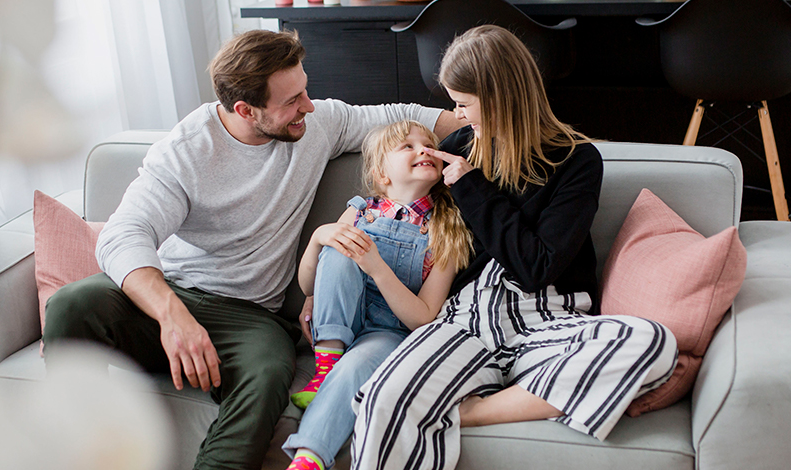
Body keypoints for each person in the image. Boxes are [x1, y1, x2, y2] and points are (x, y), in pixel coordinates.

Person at [41, 29, 460, 470]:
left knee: (268, 373)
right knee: (72, 304)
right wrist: (171, 314)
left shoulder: (316, 125)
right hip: (172, 296)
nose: (309, 106)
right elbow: (124, 232)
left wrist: (484, 124)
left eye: (305, 89)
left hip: (250, 318)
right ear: (245, 109)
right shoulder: (186, 151)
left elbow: (405, 116)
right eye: (292, 100)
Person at [350, 25, 679, 470]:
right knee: (384, 397)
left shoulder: (575, 160)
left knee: (650, 341)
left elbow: (536, 266)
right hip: (465, 319)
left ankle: (471, 410)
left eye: (463, 103)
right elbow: (391, 206)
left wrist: (471, 186)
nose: (457, 114)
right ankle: (478, 394)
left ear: (501, 97)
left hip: (547, 320)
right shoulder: (456, 147)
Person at [282, 120, 473, 470]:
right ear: (381, 173)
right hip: (340, 321)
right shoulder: (359, 210)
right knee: (340, 247)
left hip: (389, 333)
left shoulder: (449, 229)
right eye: (408, 146)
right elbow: (310, 288)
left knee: (353, 368)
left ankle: (308, 460)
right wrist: (318, 237)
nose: (423, 150)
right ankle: (326, 363)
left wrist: (376, 268)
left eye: (429, 145)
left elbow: (423, 317)